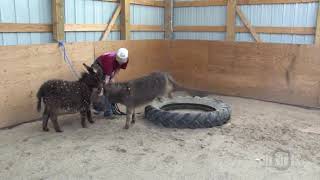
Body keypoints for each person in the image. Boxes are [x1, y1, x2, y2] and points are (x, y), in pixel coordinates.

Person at [91, 48, 129, 117]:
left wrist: (113, 77)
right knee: (103, 88)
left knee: (110, 87)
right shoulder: (110, 60)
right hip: (98, 66)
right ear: (117, 58)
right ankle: (103, 110)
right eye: (120, 60)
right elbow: (106, 79)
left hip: (108, 68)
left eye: (122, 61)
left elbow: (118, 68)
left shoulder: (125, 59)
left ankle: (109, 109)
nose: (121, 62)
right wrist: (103, 88)